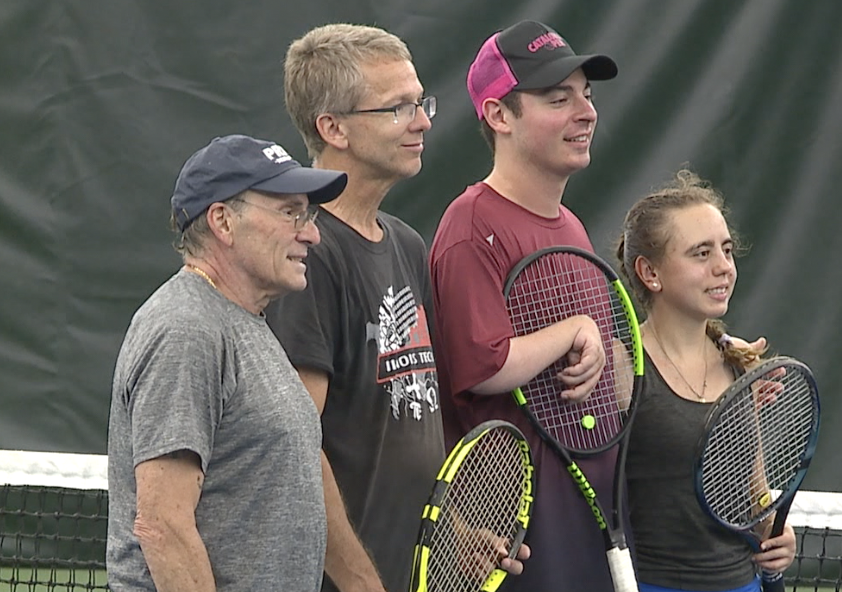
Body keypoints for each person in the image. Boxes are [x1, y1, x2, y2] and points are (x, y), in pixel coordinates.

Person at [266, 23, 526, 592]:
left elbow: (406, 425)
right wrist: (360, 580)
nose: (423, 121)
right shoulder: (307, 255)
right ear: (332, 128)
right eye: (397, 108)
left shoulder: (407, 245)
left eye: (420, 102)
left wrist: (452, 532)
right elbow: (296, 451)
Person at [429, 20, 623, 592]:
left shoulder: (574, 228)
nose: (585, 113)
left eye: (587, 95)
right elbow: (484, 365)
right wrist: (573, 330)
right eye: (558, 99)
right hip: (517, 533)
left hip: (599, 514)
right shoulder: (471, 224)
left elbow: (608, 375)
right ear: (499, 115)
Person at [107, 134, 348, 592]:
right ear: (223, 221)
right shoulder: (186, 328)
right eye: (290, 212)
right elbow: (162, 525)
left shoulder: (245, 321)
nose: (311, 233)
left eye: (309, 214)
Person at [615, 169, 798, 592]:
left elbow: (754, 491)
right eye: (701, 253)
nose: (723, 267)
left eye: (726, 250)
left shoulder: (739, 364)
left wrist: (776, 533)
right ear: (650, 272)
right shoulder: (620, 366)